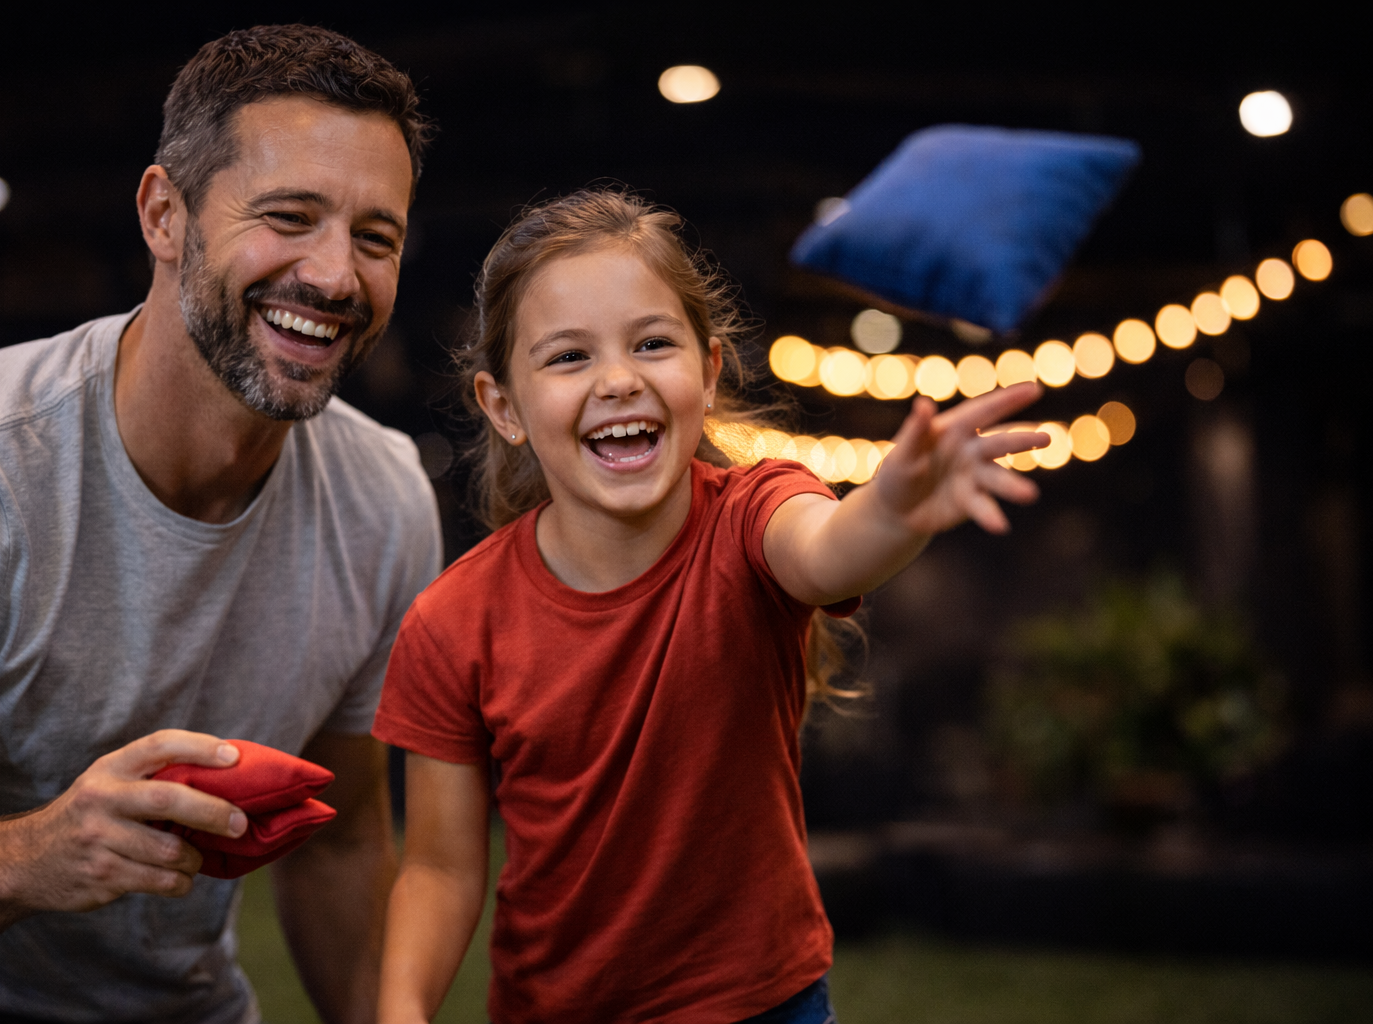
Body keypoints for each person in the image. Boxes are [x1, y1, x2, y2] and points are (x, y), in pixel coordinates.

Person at [0, 25, 439, 1024]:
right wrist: (30, 856)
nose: (337, 277)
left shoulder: (385, 498)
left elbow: (338, 837)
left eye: (374, 237)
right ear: (165, 215)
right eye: (289, 216)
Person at [371, 189, 1048, 1024]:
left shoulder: (753, 513)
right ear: (503, 407)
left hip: (766, 1007)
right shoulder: (453, 621)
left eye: (653, 343)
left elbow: (830, 548)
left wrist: (893, 508)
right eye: (568, 357)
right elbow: (439, 867)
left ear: (709, 370)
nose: (619, 380)